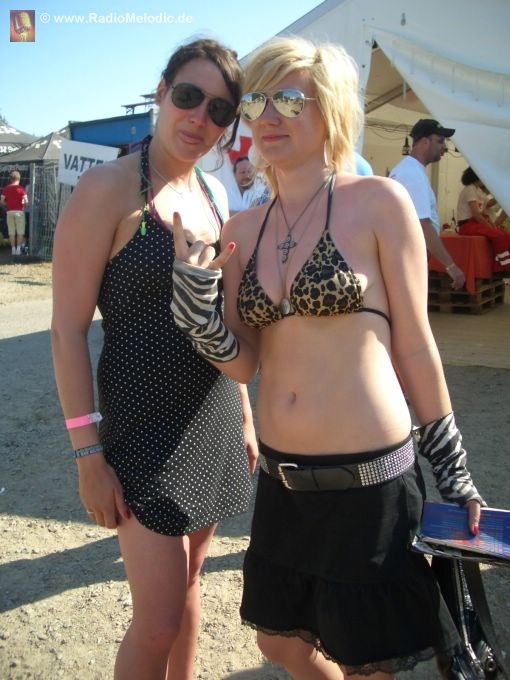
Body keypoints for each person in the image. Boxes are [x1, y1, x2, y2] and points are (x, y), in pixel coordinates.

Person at [169, 36, 484, 679]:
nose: (269, 116)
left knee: (368, 658)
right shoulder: (242, 229)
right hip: (283, 483)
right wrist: (197, 309)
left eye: (290, 100)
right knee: (279, 641)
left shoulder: (379, 202)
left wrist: (453, 470)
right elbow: (243, 363)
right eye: (257, 101)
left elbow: (415, 343)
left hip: (371, 482)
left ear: (332, 109)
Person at [51, 39, 257, 680]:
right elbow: (66, 331)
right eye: (189, 97)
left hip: (213, 420)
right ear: (162, 91)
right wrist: (87, 454)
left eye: (219, 110)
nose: (200, 118)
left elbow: (224, 323)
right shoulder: (107, 189)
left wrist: (245, 414)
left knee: (190, 584)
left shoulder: (215, 195)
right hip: (141, 433)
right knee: (157, 620)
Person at [390, 119, 466, 290]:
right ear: (424, 142)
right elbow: (422, 225)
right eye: (440, 141)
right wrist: (451, 266)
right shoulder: (412, 174)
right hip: (407, 258)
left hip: (405, 257)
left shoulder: (411, 171)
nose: (444, 147)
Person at [456, 167, 510, 270]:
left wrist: (503, 195)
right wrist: (490, 227)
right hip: (467, 225)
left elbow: (487, 204)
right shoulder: (469, 189)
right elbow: (476, 214)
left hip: (475, 224)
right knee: (498, 235)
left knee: (506, 235)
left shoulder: (478, 191)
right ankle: (504, 265)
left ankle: (500, 264)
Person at [0, 170, 28, 255]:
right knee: (20, 231)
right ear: (19, 179)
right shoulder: (21, 189)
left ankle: (13, 249)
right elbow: (26, 202)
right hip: (19, 212)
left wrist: (7, 205)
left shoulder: (6, 189)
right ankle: (18, 249)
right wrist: (23, 205)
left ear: (10, 179)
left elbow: (1, 201)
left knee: (11, 232)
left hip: (9, 212)